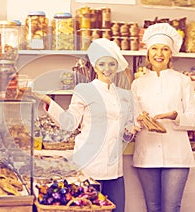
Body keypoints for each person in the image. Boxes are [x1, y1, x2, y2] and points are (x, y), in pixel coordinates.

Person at [32, 38, 138, 212]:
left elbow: (125, 133)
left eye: (111, 64)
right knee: (87, 208)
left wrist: (131, 129)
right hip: (89, 163)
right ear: (95, 66)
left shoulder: (124, 95)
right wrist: (47, 100)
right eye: (102, 64)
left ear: (117, 67)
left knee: (117, 209)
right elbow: (69, 123)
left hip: (115, 167)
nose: (107, 69)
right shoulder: (84, 90)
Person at [131, 23, 195, 212]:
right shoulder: (137, 84)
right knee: (152, 208)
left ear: (171, 54)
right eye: (154, 48)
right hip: (147, 153)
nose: (158, 53)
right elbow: (133, 119)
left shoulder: (183, 81)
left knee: (171, 208)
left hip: (177, 155)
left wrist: (175, 116)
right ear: (148, 53)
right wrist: (139, 121)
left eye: (164, 49)